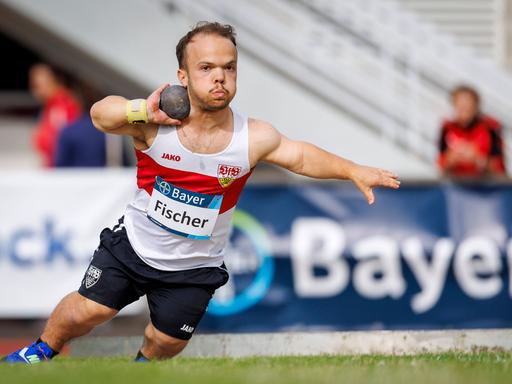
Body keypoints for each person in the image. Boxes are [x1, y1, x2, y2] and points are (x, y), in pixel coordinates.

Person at [2, 22, 400, 364]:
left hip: (194, 267)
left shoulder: (253, 137)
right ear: (183, 75)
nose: (220, 77)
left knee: (167, 340)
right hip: (135, 247)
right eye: (206, 68)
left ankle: (137, 370)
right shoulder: (155, 123)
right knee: (87, 311)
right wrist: (142, 109)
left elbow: (300, 157)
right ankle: (38, 352)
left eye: (229, 68)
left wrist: (352, 170)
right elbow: (100, 114)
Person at [437, 85, 506, 178]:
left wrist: (478, 159)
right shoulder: (447, 128)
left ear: (476, 106)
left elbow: (500, 169)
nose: (464, 109)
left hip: (486, 188)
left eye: (468, 105)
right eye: (460, 105)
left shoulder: (491, 128)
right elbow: (441, 166)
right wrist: (451, 160)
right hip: (456, 188)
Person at [29, 63, 82, 167]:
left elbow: (60, 139)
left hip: (61, 168)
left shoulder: (62, 104)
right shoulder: (51, 104)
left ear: (54, 81)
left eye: (38, 86)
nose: (35, 91)